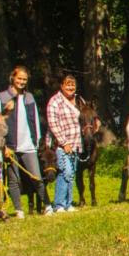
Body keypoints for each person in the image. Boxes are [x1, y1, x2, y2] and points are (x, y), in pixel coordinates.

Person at [0, 66, 48, 218]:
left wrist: (37, 141)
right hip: (10, 146)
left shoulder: (29, 98)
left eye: (24, 79)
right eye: (19, 78)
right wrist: (2, 146)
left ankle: (47, 205)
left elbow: (35, 120)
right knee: (14, 179)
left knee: (36, 176)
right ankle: (18, 209)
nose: (21, 82)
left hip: (28, 144)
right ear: (13, 78)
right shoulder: (2, 97)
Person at [46, 74, 82, 213]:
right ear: (61, 86)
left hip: (76, 143)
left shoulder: (78, 100)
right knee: (65, 172)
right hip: (61, 144)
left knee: (71, 173)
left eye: (73, 84)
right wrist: (64, 142)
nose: (70, 87)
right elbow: (53, 124)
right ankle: (59, 204)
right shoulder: (55, 101)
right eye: (67, 84)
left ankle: (68, 203)